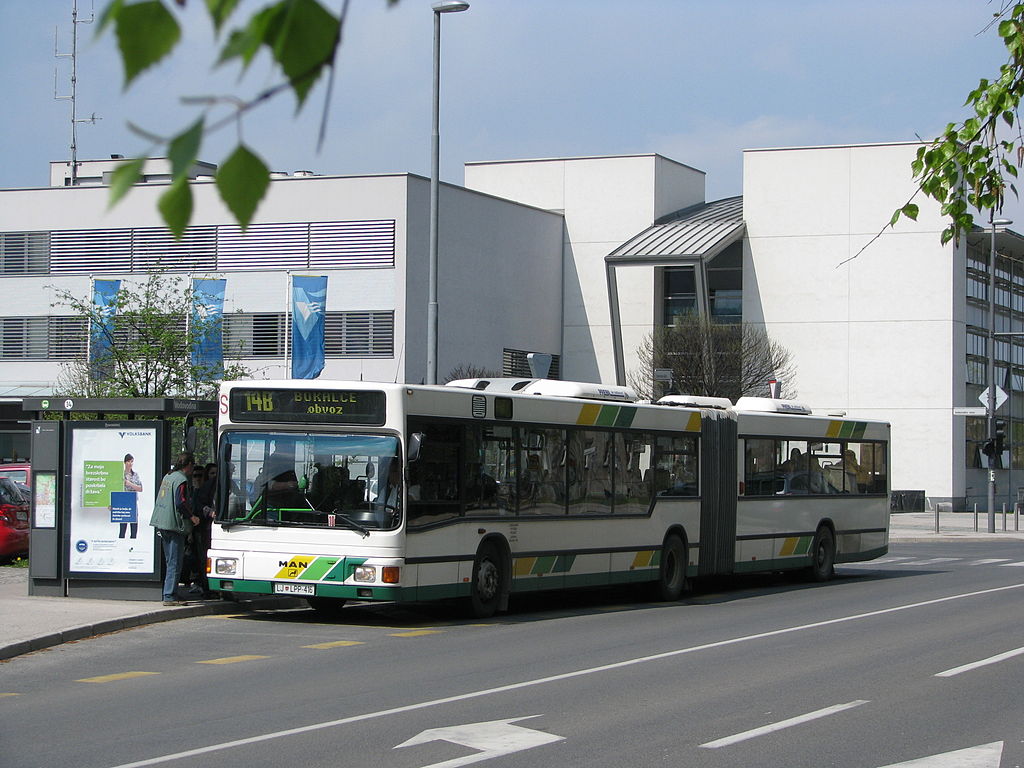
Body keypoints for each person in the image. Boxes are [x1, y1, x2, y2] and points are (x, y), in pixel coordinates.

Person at [149, 452, 200, 606]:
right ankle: (170, 595)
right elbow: (180, 502)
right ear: (189, 465)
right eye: (193, 466)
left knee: (169, 560)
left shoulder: (168, 476)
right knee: (175, 561)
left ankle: (170, 592)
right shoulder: (182, 479)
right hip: (173, 524)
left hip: (162, 522)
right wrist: (192, 517)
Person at [189, 463, 218, 599]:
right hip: (203, 528)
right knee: (203, 558)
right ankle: (207, 588)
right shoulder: (205, 488)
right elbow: (198, 507)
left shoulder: (220, 484)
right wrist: (210, 512)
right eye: (212, 473)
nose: (215, 476)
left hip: (216, 528)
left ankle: (213, 588)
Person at [119, 453, 143, 539]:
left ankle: (133, 546)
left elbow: (140, 488)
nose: (130, 463)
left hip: (132, 502)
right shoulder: (120, 475)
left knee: (134, 528)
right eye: (129, 461)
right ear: (125, 462)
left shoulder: (135, 475)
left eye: (132, 461)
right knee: (122, 529)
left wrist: (129, 483)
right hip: (123, 503)